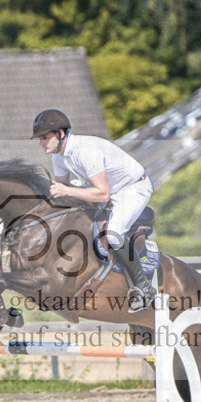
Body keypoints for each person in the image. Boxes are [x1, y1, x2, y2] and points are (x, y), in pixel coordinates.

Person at [31, 109, 157, 312]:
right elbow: (61, 191)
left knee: (114, 235)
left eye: (45, 137)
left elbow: (102, 194)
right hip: (107, 190)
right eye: (40, 138)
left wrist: (65, 190)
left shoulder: (85, 151)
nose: (41, 142)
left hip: (131, 188)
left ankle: (143, 286)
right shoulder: (59, 156)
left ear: (61, 133)